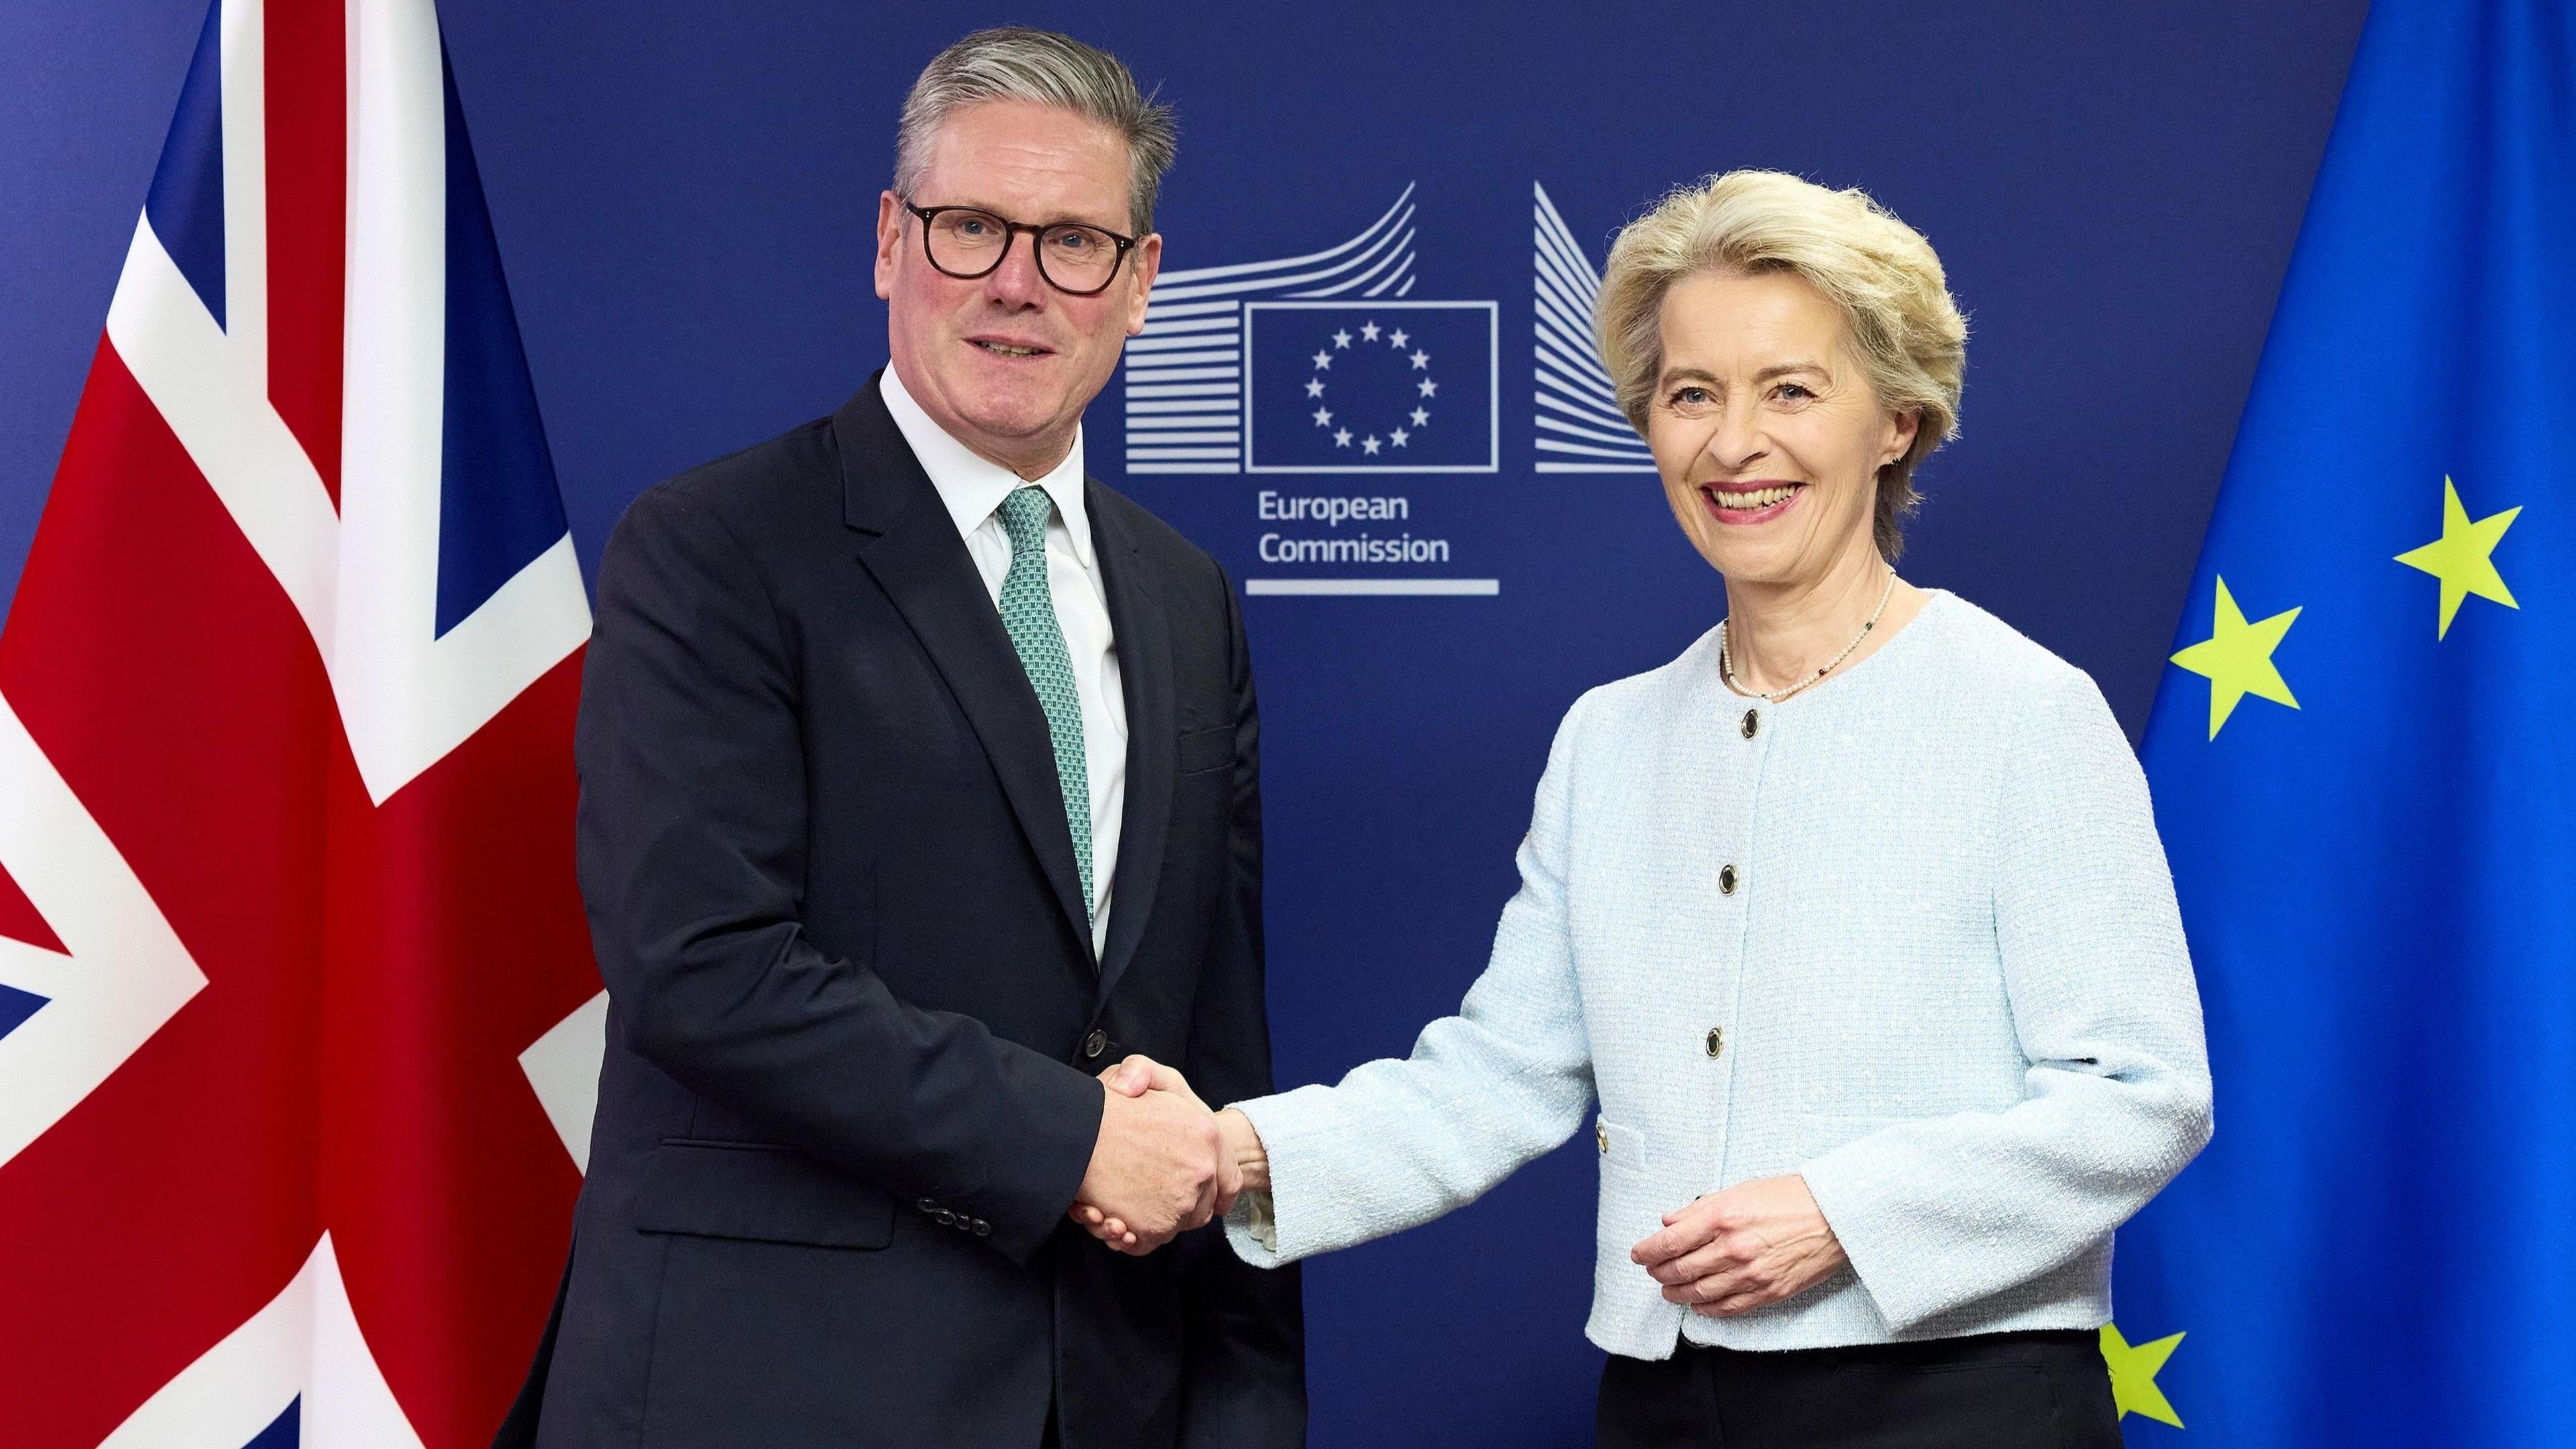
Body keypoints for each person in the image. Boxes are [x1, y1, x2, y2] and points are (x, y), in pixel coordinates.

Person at [1081, 170, 2212, 1447]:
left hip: (1963, 1402)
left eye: (1791, 389)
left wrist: (1847, 1213)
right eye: (1691, 394)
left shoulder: (2024, 712)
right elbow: (1497, 1079)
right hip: (1663, 1404)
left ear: (1897, 419)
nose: (1734, 445)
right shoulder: (1609, 739)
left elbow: (2143, 1094)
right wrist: (1233, 1152)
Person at [498, 28, 1302, 1449]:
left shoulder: (1187, 601)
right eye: (972, 225)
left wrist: (1244, 1411)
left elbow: (1213, 1052)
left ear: (1142, 282)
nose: (1015, 281)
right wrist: (1070, 1143)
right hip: (768, 1394)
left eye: (1073, 242)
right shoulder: (717, 550)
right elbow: (704, 964)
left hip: (1108, 1392)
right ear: (889, 241)